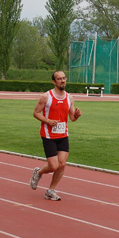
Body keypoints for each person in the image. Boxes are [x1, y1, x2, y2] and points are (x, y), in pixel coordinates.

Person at [30, 70, 82, 200]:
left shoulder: (69, 98)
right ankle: (39, 172)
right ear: (54, 81)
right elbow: (36, 113)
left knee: (62, 164)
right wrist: (48, 121)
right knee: (54, 166)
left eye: (64, 78)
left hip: (63, 135)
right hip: (49, 135)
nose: (63, 81)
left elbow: (72, 118)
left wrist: (76, 115)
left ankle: (50, 190)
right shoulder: (46, 97)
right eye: (59, 79)